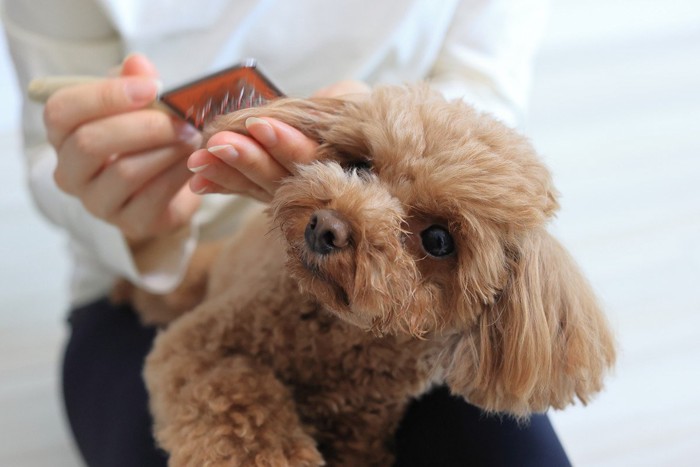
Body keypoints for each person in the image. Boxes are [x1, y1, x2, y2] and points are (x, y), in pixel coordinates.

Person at [2, 0, 571, 465]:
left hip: (403, 326)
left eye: (436, 239)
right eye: (359, 167)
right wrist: (127, 215)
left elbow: (484, 89)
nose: (336, 227)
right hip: (143, 299)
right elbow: (42, 156)